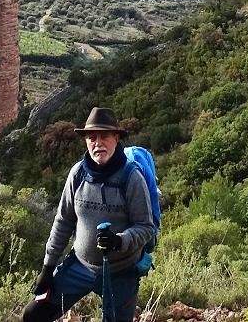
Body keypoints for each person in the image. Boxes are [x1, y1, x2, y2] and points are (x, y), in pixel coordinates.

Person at [22, 107, 157, 322]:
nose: (98, 143)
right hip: (80, 267)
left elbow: (146, 227)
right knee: (34, 314)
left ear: (116, 137)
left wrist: (119, 241)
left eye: (104, 136)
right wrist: (48, 268)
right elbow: (63, 221)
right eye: (91, 137)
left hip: (120, 272)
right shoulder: (78, 174)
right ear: (85, 141)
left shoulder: (131, 177)